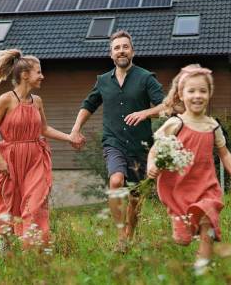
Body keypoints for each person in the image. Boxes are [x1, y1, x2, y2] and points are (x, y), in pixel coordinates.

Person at [69, 30, 165, 252]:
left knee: (135, 198)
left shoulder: (146, 77)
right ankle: (122, 237)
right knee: (115, 181)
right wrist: (75, 129)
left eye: (125, 47)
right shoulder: (103, 81)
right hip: (114, 142)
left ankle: (131, 235)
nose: (121, 51)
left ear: (132, 50)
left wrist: (145, 113)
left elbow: (166, 106)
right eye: (117, 48)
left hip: (140, 145)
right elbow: (88, 105)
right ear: (111, 54)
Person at [146, 64, 231, 267]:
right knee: (182, 240)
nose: (197, 95)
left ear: (209, 94)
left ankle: (203, 267)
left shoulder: (213, 126)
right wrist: (151, 164)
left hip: (206, 185)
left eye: (203, 90)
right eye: (191, 91)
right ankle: (184, 231)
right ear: (181, 95)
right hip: (179, 188)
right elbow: (156, 149)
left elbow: (224, 153)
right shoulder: (176, 123)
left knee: (207, 219)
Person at [0, 49, 77, 250]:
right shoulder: (6, 100)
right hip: (10, 158)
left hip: (36, 157)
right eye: (39, 72)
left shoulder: (38, 101)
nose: (42, 76)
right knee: (10, 204)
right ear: (25, 75)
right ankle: (6, 250)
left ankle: (34, 250)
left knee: (35, 204)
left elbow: (44, 129)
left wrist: (68, 137)